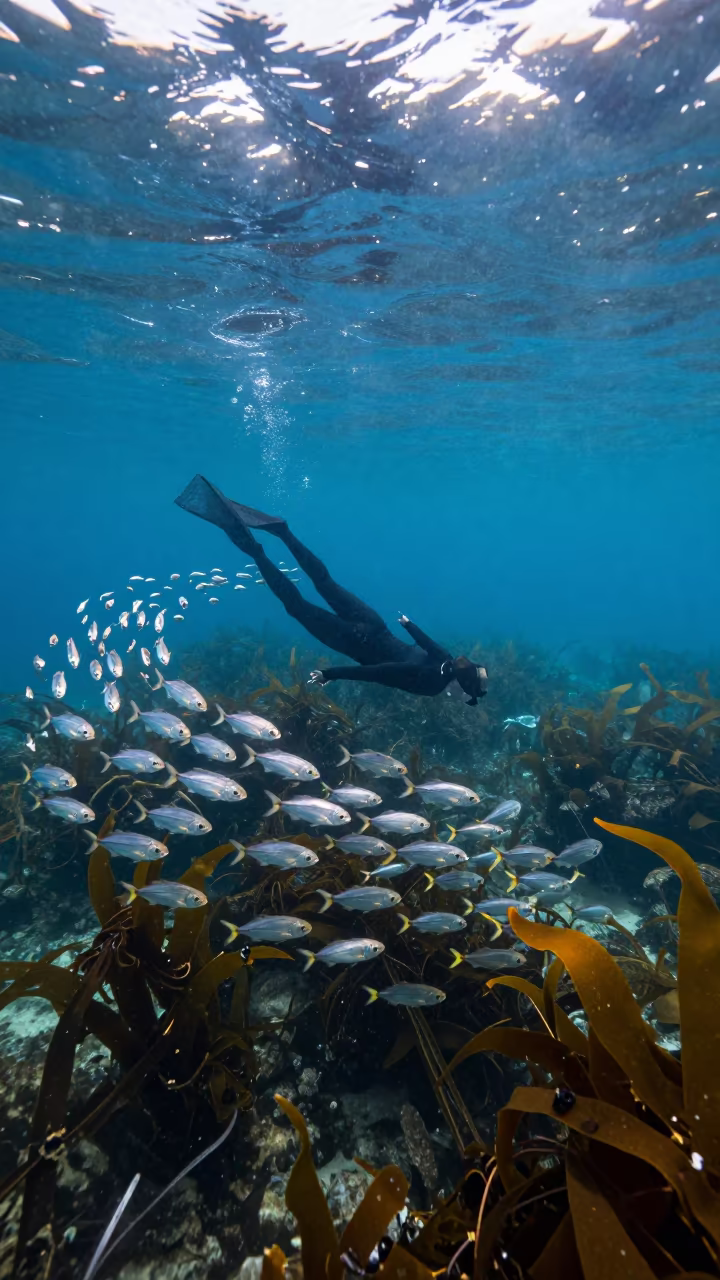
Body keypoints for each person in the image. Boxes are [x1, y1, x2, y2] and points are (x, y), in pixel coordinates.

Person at [175, 475, 488, 705]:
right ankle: (255, 551)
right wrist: (331, 673)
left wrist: (407, 624)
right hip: (356, 642)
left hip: (375, 625)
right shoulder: (433, 683)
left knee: (325, 583)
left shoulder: (445, 658)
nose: (461, 698)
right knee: (296, 606)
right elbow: (383, 671)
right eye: (465, 696)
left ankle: (283, 532)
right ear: (459, 687)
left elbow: (424, 643)